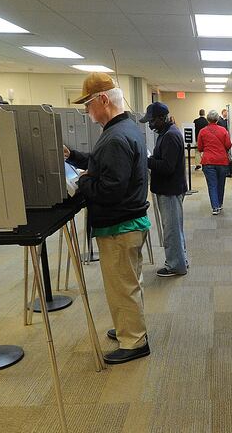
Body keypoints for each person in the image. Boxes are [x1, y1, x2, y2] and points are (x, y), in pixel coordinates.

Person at [64, 72, 151, 364]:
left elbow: (111, 189)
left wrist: (82, 182)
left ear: (102, 99)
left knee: (122, 286)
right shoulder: (123, 129)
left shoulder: (115, 137)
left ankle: (134, 341)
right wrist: (76, 157)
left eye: (88, 104)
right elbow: (104, 165)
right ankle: (130, 327)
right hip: (129, 222)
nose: (87, 111)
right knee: (126, 283)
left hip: (119, 225)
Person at [140, 102, 190, 277]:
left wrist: (146, 160)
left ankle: (175, 265)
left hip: (170, 190)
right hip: (172, 188)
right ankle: (181, 259)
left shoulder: (169, 136)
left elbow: (167, 166)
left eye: (152, 121)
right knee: (176, 227)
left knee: (171, 230)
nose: (150, 124)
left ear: (162, 118)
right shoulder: (167, 132)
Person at [197, 110, 232, 215]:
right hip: (222, 160)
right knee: (221, 184)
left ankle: (215, 207)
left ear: (208, 119)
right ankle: (220, 204)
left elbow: (200, 147)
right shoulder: (223, 130)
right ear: (217, 119)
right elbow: (228, 145)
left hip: (208, 161)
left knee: (212, 184)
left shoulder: (202, 131)